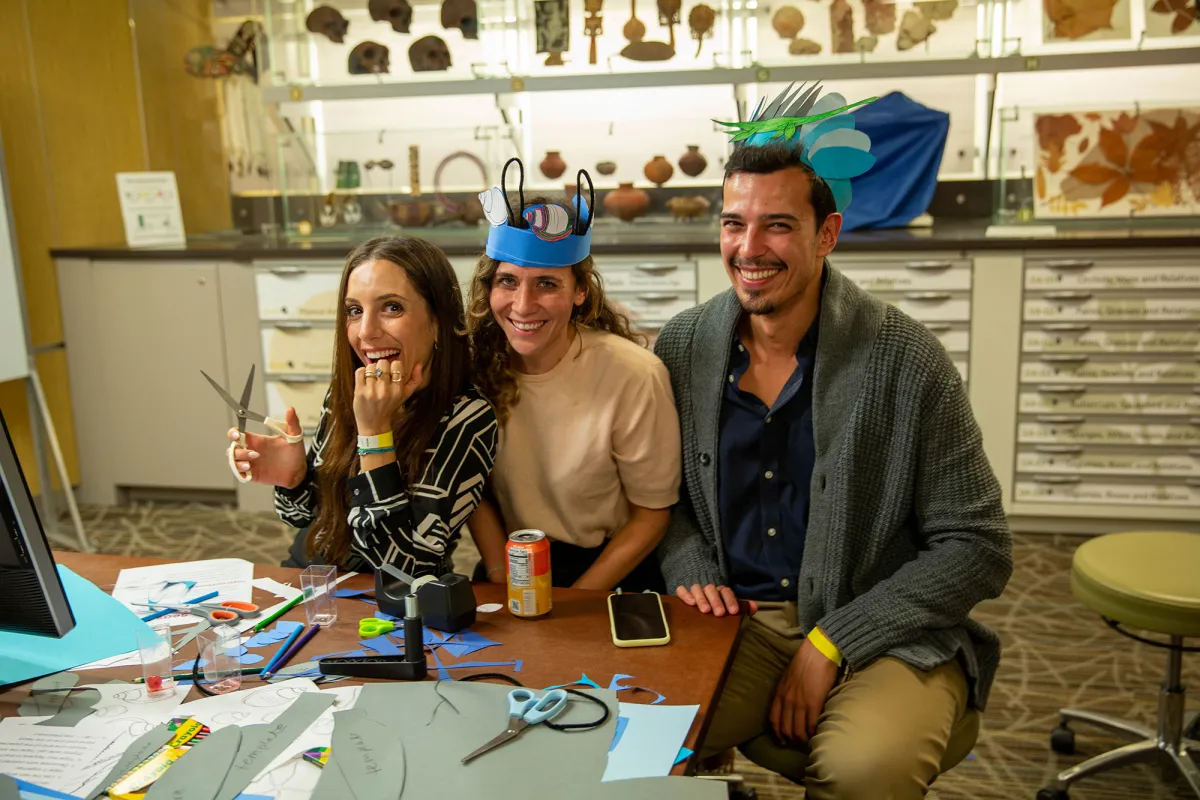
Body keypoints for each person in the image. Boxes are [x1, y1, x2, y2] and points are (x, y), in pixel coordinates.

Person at [653, 82, 1013, 799]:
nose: (749, 249)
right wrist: (689, 561)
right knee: (623, 742)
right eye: (733, 223)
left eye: (777, 226)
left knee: (863, 772)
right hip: (738, 626)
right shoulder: (684, 346)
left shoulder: (905, 361)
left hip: (880, 627)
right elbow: (663, 501)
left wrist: (833, 640)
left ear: (827, 234)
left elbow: (978, 546)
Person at [464, 161, 682, 593]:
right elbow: (476, 492)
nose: (523, 305)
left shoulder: (634, 376)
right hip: (512, 563)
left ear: (581, 291)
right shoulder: (475, 369)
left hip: (610, 570)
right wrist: (500, 574)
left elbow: (651, 516)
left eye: (546, 284)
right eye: (508, 281)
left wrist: (572, 604)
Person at [226, 236, 498, 576]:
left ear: (437, 322)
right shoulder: (350, 391)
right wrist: (294, 479)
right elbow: (307, 520)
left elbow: (407, 568)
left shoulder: (469, 418)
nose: (366, 332)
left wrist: (374, 435)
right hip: (316, 581)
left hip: (393, 601)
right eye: (355, 311)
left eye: (392, 307)